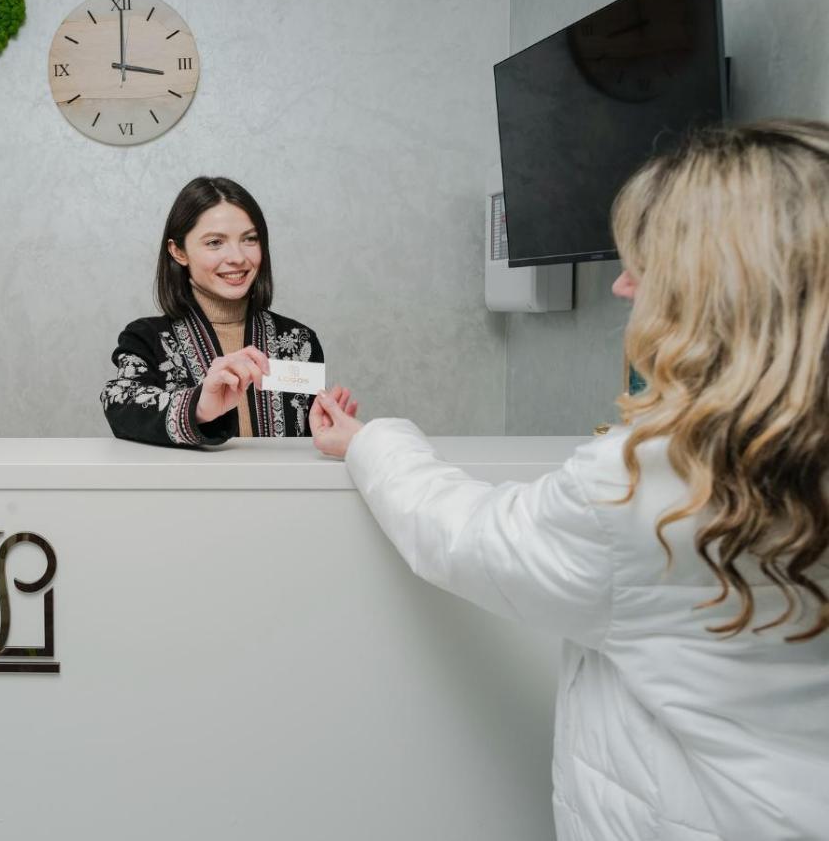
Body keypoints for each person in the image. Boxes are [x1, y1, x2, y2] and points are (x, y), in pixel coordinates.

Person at [311, 120, 829, 840]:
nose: (621, 283)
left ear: (717, 290)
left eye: (646, 264)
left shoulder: (650, 484)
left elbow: (463, 535)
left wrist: (370, 441)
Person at [101, 176, 355, 447]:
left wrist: (327, 435)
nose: (237, 257)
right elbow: (120, 404)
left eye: (250, 239)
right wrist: (200, 406)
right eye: (214, 242)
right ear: (178, 252)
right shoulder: (147, 338)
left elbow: (304, 444)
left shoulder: (298, 340)